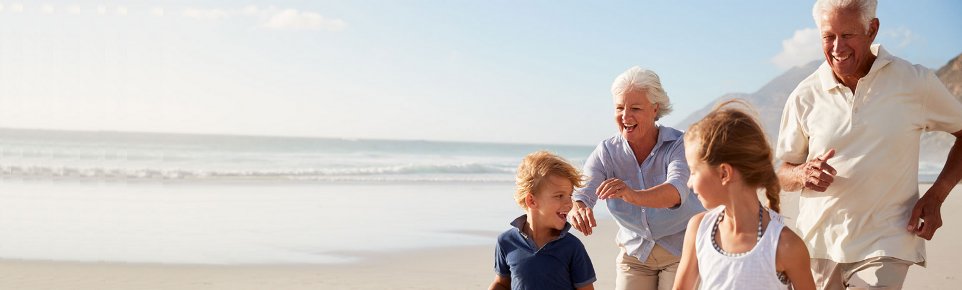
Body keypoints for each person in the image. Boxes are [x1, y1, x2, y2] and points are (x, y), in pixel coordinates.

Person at [775, 0, 962, 288]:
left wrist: (936, 196)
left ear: (872, 30)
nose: (838, 47)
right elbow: (783, 172)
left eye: (847, 35)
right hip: (819, 244)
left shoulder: (914, 82)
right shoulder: (804, 95)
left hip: (888, 240)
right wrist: (802, 174)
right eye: (828, 36)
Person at [569, 66, 704, 290]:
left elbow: (675, 191)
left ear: (655, 109)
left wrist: (632, 195)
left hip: (682, 250)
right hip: (635, 253)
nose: (625, 116)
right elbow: (582, 193)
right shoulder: (607, 152)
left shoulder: (679, 144)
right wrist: (579, 208)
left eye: (635, 108)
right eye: (619, 107)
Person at [672, 100, 815, 290]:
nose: (689, 183)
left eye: (693, 172)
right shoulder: (699, 228)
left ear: (724, 173)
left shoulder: (786, 246)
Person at [490, 151, 596, 290]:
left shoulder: (572, 247)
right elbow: (502, 283)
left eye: (570, 195)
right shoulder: (506, 242)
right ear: (532, 201)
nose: (569, 204)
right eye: (559, 196)